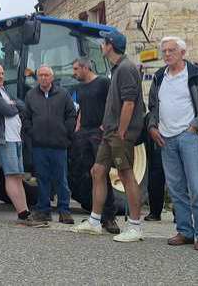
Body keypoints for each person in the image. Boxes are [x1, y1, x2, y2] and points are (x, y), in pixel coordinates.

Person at [147, 37, 198, 251]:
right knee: (176, 189)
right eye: (164, 51)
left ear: (182, 53)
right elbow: (153, 105)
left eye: (171, 50)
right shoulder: (160, 77)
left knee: (197, 188)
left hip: (190, 136)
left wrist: (194, 127)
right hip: (165, 138)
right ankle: (185, 231)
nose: (167, 54)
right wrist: (152, 127)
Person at [73, 30, 145, 243]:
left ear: (110, 45)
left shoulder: (126, 68)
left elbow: (129, 102)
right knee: (97, 171)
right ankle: (95, 222)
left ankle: (135, 226)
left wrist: (122, 131)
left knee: (126, 175)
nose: (101, 45)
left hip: (119, 133)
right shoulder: (116, 69)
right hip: (109, 131)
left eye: (104, 42)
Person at [0, 63, 47, 227]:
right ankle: (23, 215)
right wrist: (13, 105)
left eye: (2, 73)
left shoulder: (0, 90)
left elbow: (20, 105)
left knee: (17, 176)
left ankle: (26, 213)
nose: (1, 76)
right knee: (12, 175)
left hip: (14, 138)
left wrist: (13, 105)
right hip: (3, 139)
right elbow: (9, 110)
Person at [71, 57, 120, 234]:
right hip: (83, 133)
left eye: (76, 69)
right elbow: (82, 108)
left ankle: (109, 217)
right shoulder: (81, 87)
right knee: (86, 175)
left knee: (101, 174)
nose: (74, 72)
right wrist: (78, 126)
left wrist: (105, 125)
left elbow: (113, 103)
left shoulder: (103, 82)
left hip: (99, 133)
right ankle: (95, 215)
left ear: (85, 67)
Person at [24, 65, 76, 225]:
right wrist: (32, 133)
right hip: (39, 146)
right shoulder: (31, 95)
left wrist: (65, 133)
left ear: (52, 78)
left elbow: (71, 115)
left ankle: (64, 211)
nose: (44, 78)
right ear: (37, 77)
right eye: (41, 75)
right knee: (42, 179)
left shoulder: (63, 94)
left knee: (61, 180)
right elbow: (26, 117)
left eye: (47, 75)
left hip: (59, 145)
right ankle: (44, 210)